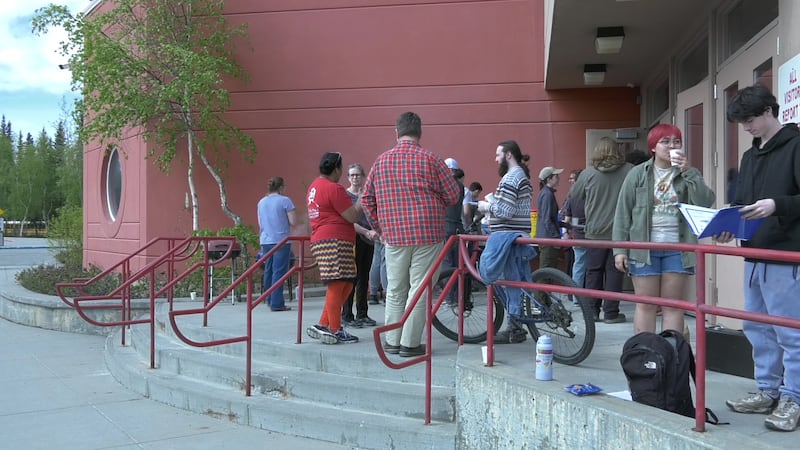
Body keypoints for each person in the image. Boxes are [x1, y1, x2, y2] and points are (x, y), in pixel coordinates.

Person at [718, 84, 800, 432]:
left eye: (750, 120)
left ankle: (793, 397)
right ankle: (768, 390)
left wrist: (776, 205)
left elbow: (777, 203)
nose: (746, 128)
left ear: (769, 111)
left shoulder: (796, 145)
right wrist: (728, 224)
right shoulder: (750, 155)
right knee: (757, 327)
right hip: (752, 251)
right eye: (741, 122)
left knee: (790, 332)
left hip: (786, 253)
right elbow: (745, 203)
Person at [361, 112, 461, 358]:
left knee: (395, 289)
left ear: (396, 132)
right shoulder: (432, 159)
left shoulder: (381, 161)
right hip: (428, 234)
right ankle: (409, 343)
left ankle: (392, 340)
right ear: (420, 132)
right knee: (420, 289)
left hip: (394, 236)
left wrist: (380, 228)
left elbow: (366, 199)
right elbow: (453, 195)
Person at [612, 124, 715, 336]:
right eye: (665, 141)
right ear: (653, 147)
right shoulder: (637, 174)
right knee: (646, 305)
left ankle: (671, 355)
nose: (671, 146)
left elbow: (705, 202)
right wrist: (620, 249)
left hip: (678, 248)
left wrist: (689, 172)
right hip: (643, 248)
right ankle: (645, 354)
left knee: (672, 305)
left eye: (676, 141)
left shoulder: (688, 174)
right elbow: (623, 211)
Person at [477, 140, 535, 344]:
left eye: (498, 154)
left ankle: (515, 326)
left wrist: (486, 206)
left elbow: (506, 211)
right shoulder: (521, 175)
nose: (495, 159)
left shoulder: (511, 178)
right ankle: (515, 326)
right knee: (514, 282)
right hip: (517, 236)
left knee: (500, 278)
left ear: (509, 155)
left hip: (508, 238)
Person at [570, 137, 632, 324]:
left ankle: (592, 311)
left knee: (593, 271)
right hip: (619, 232)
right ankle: (611, 313)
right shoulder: (629, 171)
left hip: (594, 231)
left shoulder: (588, 174)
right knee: (615, 272)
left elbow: (574, 196)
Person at [305, 152, 363, 345]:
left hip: (328, 239)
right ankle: (335, 329)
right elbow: (353, 216)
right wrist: (361, 199)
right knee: (338, 282)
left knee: (346, 282)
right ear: (337, 169)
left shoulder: (315, 186)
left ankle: (323, 324)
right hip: (334, 240)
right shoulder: (333, 188)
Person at [341, 163, 380, 328]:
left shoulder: (368, 194)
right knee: (351, 277)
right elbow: (348, 220)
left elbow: (374, 214)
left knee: (364, 277)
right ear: (348, 178)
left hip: (369, 240)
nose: (355, 177)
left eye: (357, 174)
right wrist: (365, 231)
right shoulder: (345, 195)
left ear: (363, 176)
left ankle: (362, 313)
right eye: (352, 175)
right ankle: (347, 315)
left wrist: (375, 231)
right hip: (353, 238)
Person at [257, 176, 297, 312]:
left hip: (265, 240)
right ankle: (277, 302)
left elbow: (260, 223)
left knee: (268, 269)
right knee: (279, 271)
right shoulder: (285, 201)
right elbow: (293, 221)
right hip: (281, 239)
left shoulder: (261, 202)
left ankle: (269, 298)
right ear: (281, 187)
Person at [562, 169, 586, 290]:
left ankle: (576, 295)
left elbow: (567, 219)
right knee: (590, 267)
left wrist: (566, 232)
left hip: (576, 234)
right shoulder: (589, 196)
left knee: (578, 265)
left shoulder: (571, 196)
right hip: (589, 235)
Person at [536, 166, 564, 269]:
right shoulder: (547, 195)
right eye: (556, 176)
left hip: (546, 237)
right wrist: (556, 236)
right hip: (548, 239)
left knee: (548, 269)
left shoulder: (546, 193)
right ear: (549, 179)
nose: (558, 179)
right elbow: (547, 220)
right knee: (547, 269)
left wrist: (566, 225)